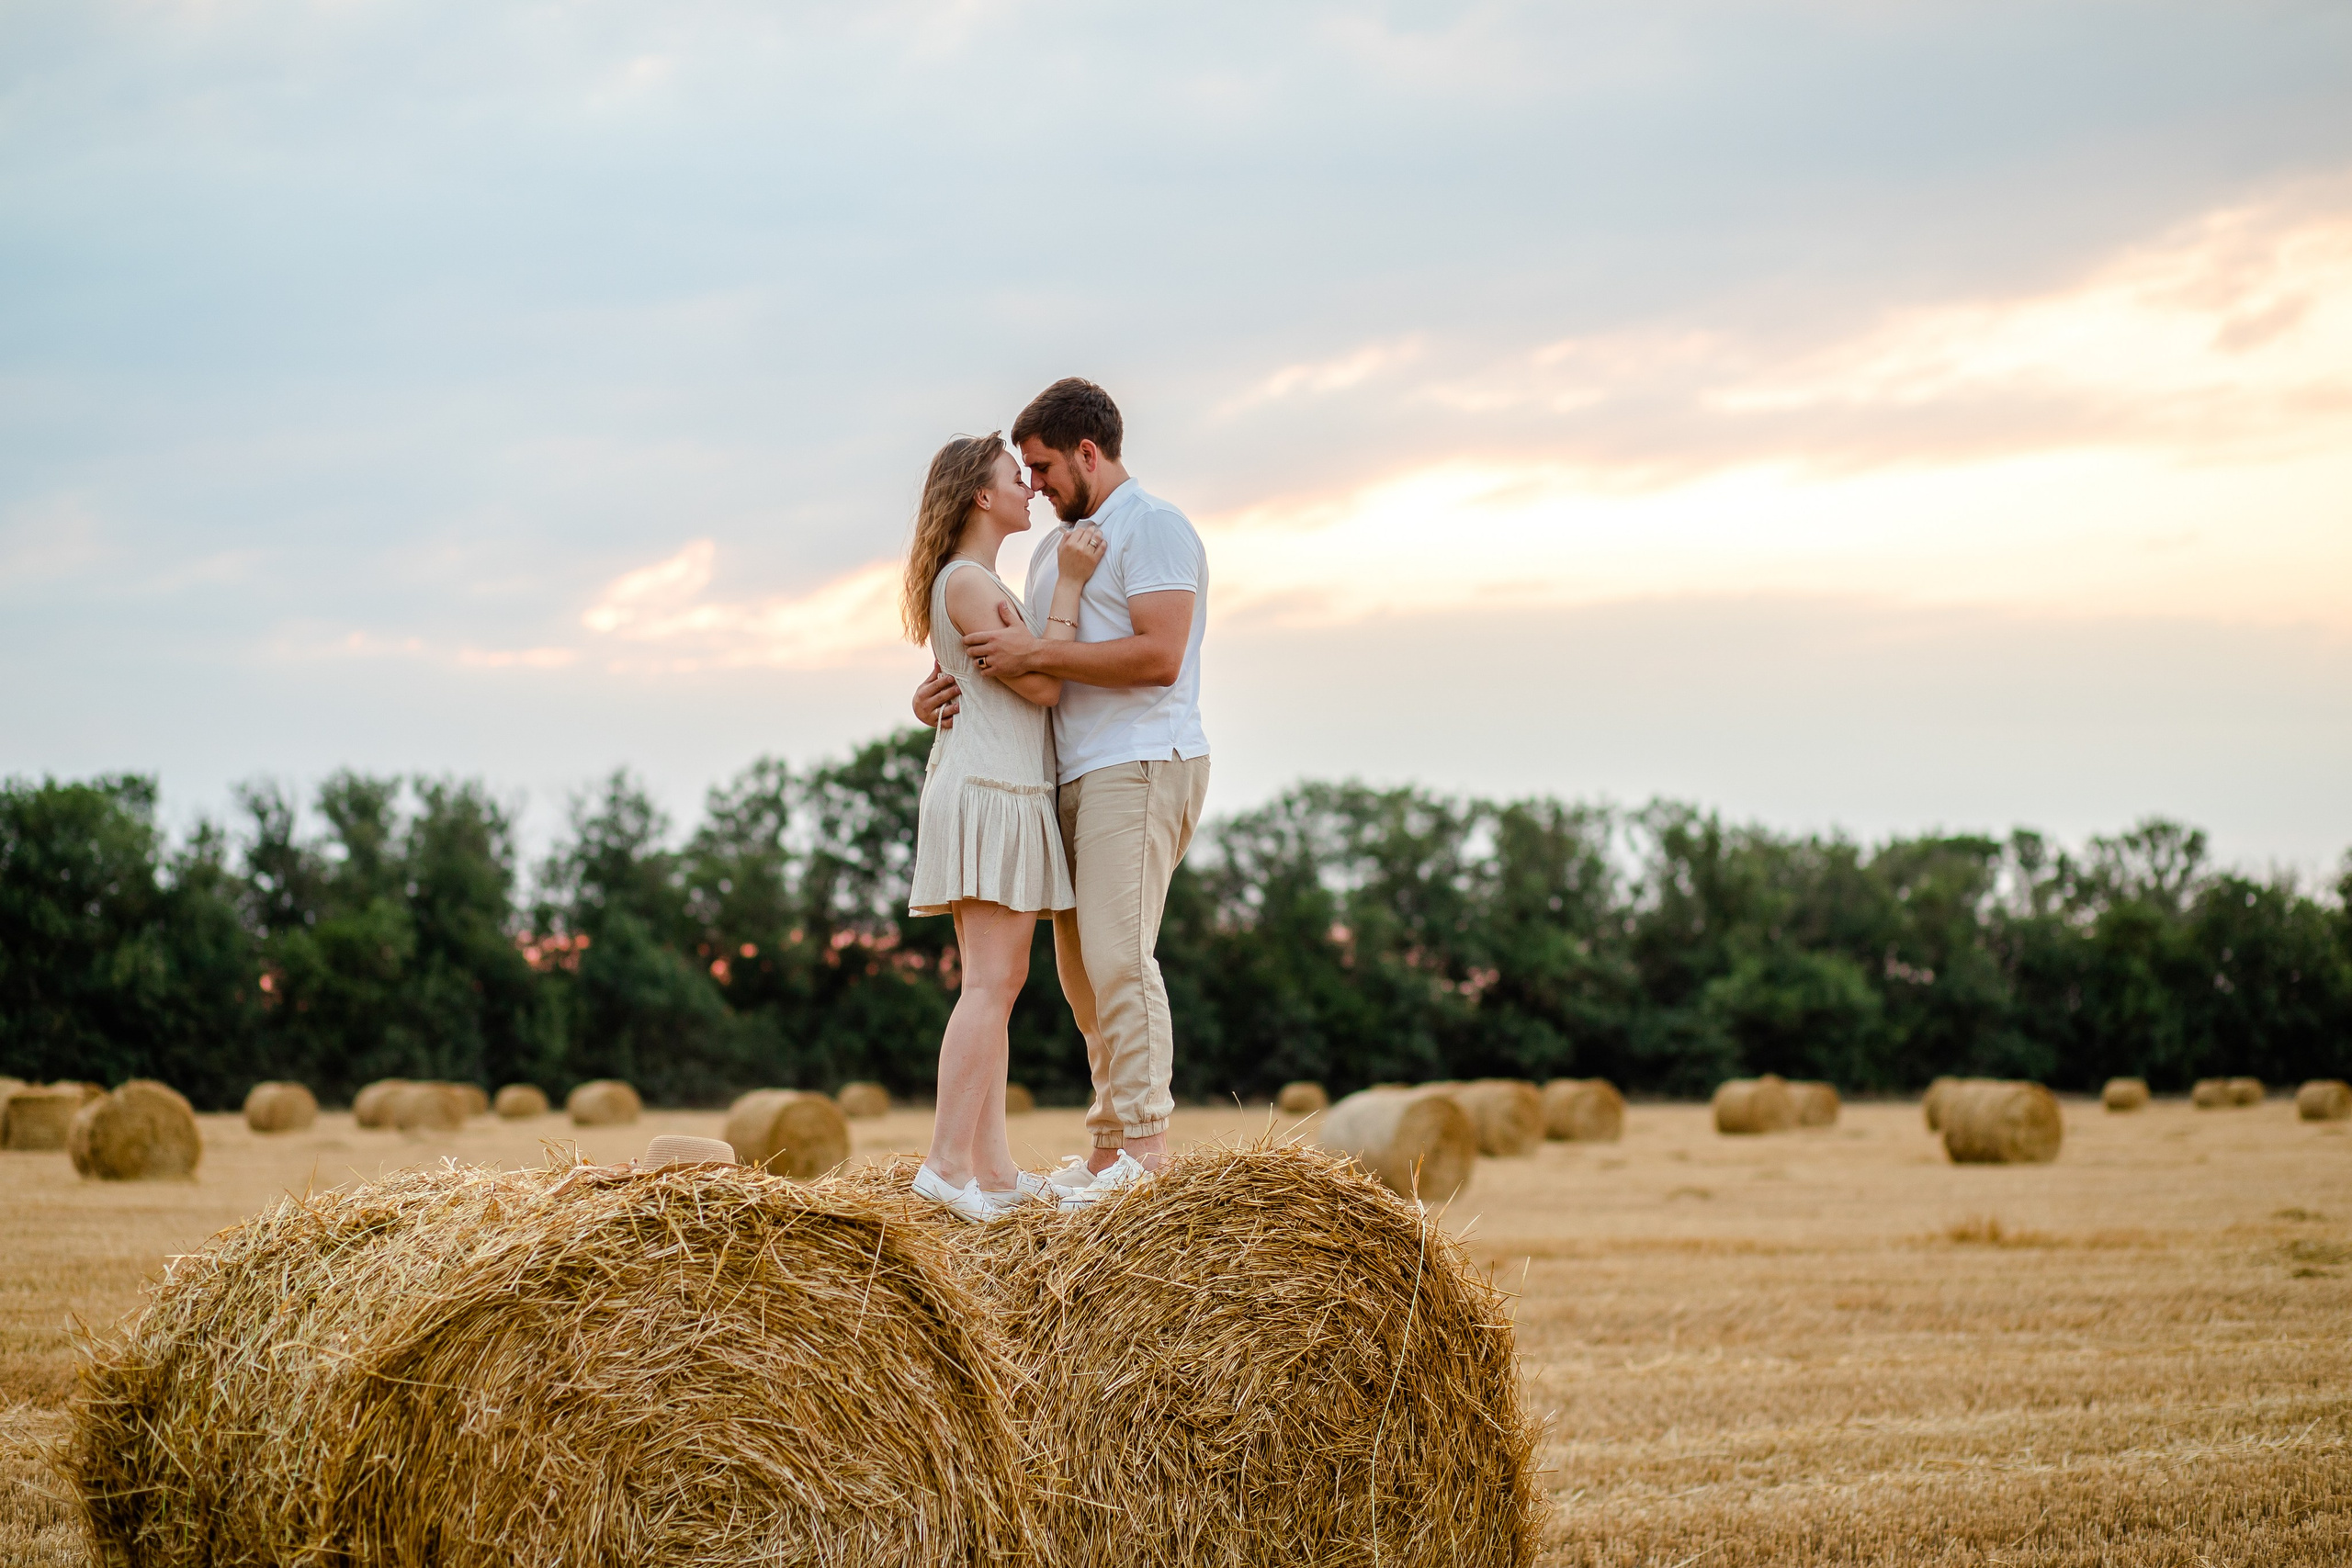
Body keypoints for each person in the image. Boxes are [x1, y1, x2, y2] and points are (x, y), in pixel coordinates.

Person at [914, 378, 1211, 1211]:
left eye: (1042, 468)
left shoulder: (1151, 526)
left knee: (1119, 957)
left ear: (1088, 451)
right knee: (1081, 976)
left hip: (1140, 759)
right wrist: (939, 690)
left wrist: (1034, 663)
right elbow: (1007, 659)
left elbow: (1158, 656)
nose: (1035, 485)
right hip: (1060, 775)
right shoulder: (1055, 551)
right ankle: (1110, 1142)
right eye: (1024, 474)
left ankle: (1145, 1152)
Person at [900, 431, 1105, 1223]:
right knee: (993, 983)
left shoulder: (973, 582)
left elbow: (1003, 684)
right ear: (981, 497)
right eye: (1012, 477)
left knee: (996, 984)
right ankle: (946, 1165)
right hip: (992, 792)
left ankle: (992, 1169)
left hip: (992, 786)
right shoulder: (969, 583)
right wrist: (1073, 586)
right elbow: (1049, 685)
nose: (1028, 486)